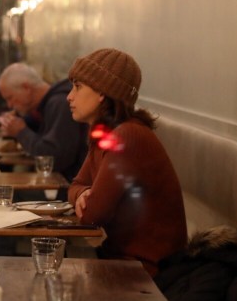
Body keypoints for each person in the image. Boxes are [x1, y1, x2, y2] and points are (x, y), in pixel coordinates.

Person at [66, 48, 187, 276]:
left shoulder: (128, 136)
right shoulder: (104, 134)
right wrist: (81, 194)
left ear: (102, 92)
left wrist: (83, 197)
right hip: (120, 262)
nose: (69, 96)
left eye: (78, 86)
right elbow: (74, 185)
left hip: (147, 273)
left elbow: (92, 215)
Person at [0, 62, 88, 181]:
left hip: (70, 185)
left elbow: (54, 159)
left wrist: (21, 132)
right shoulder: (47, 105)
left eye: (10, 98)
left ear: (26, 88)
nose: (10, 105)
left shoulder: (59, 103)